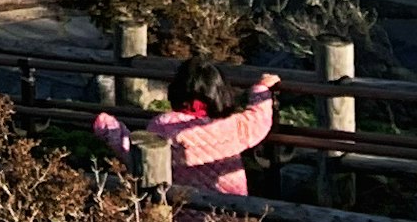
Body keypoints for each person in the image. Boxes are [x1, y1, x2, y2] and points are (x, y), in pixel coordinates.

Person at [96, 63, 281, 196]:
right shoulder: (233, 124)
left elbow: (141, 155)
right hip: (229, 215)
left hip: (180, 214)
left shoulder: (163, 125)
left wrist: (111, 129)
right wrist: (261, 89)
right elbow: (260, 120)